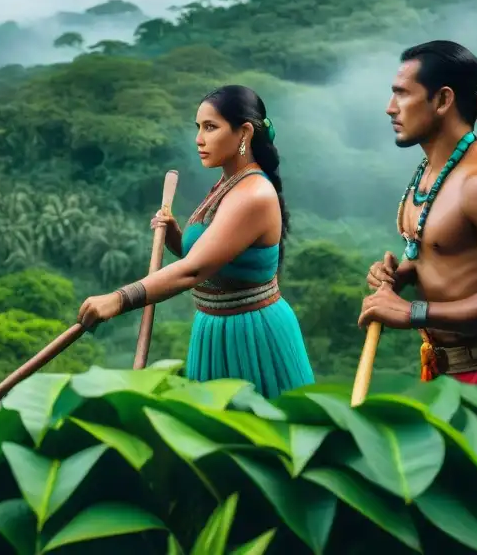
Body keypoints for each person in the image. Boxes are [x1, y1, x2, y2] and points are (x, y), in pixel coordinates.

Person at [77, 84, 315, 398]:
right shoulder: (227, 183)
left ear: (243, 133)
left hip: (251, 336)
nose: (199, 139)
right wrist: (174, 234)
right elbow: (213, 259)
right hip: (213, 331)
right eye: (198, 127)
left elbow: (194, 270)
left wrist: (118, 299)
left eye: (210, 127)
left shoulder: (253, 194)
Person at [358, 40, 477, 411]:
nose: (390, 108)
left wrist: (411, 312)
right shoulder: (431, 170)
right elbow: (445, 250)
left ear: (443, 100)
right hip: (443, 370)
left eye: (402, 94)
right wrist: (404, 272)